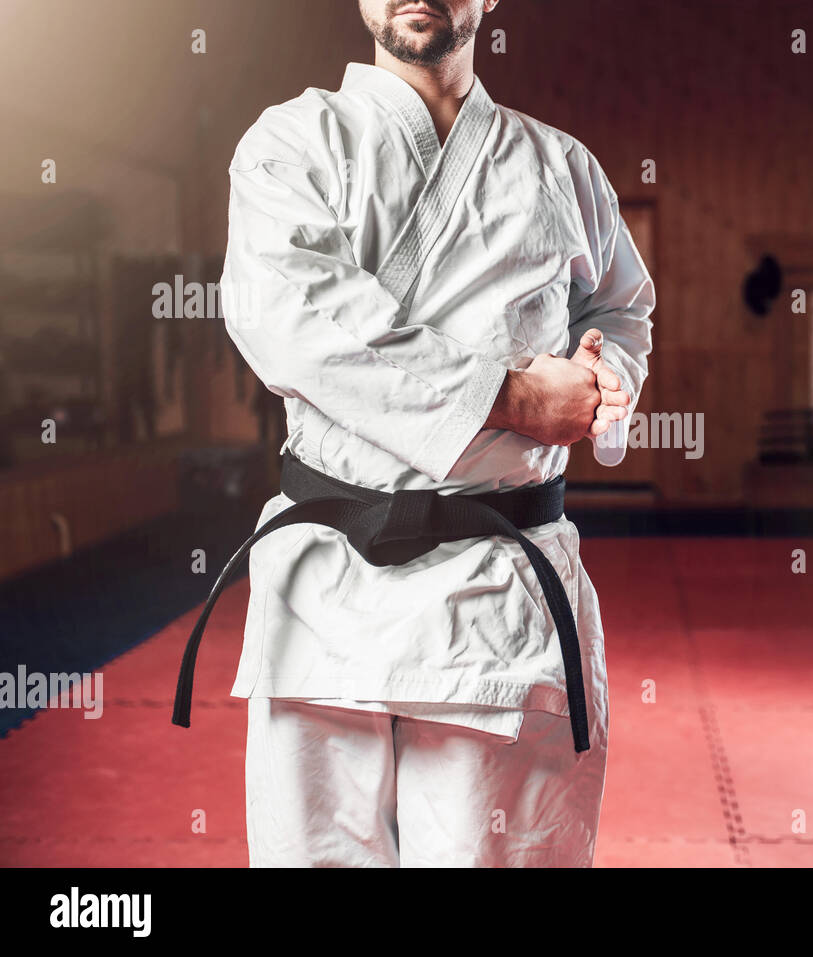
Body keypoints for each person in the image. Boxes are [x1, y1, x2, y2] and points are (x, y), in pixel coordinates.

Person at [212, 0, 653, 867]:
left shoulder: (562, 166)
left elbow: (621, 306)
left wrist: (607, 380)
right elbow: (295, 323)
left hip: (496, 595)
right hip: (327, 594)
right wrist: (519, 398)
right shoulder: (290, 144)